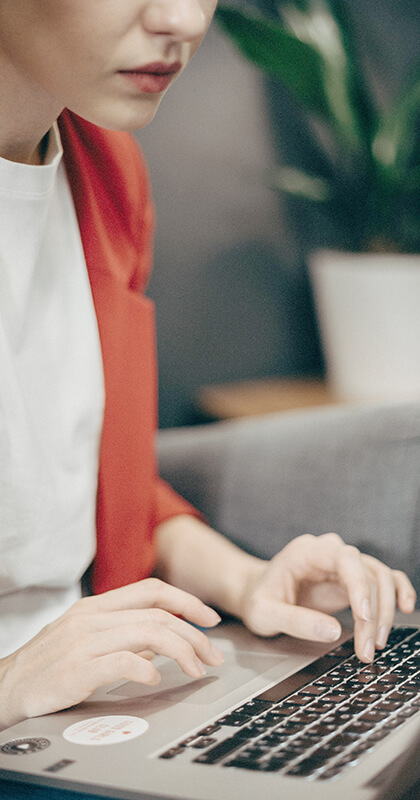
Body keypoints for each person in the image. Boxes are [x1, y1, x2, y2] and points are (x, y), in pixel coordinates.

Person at [0, 0, 416, 734]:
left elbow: (90, 488)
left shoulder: (105, 171)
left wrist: (251, 581)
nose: (184, 20)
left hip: (101, 710)